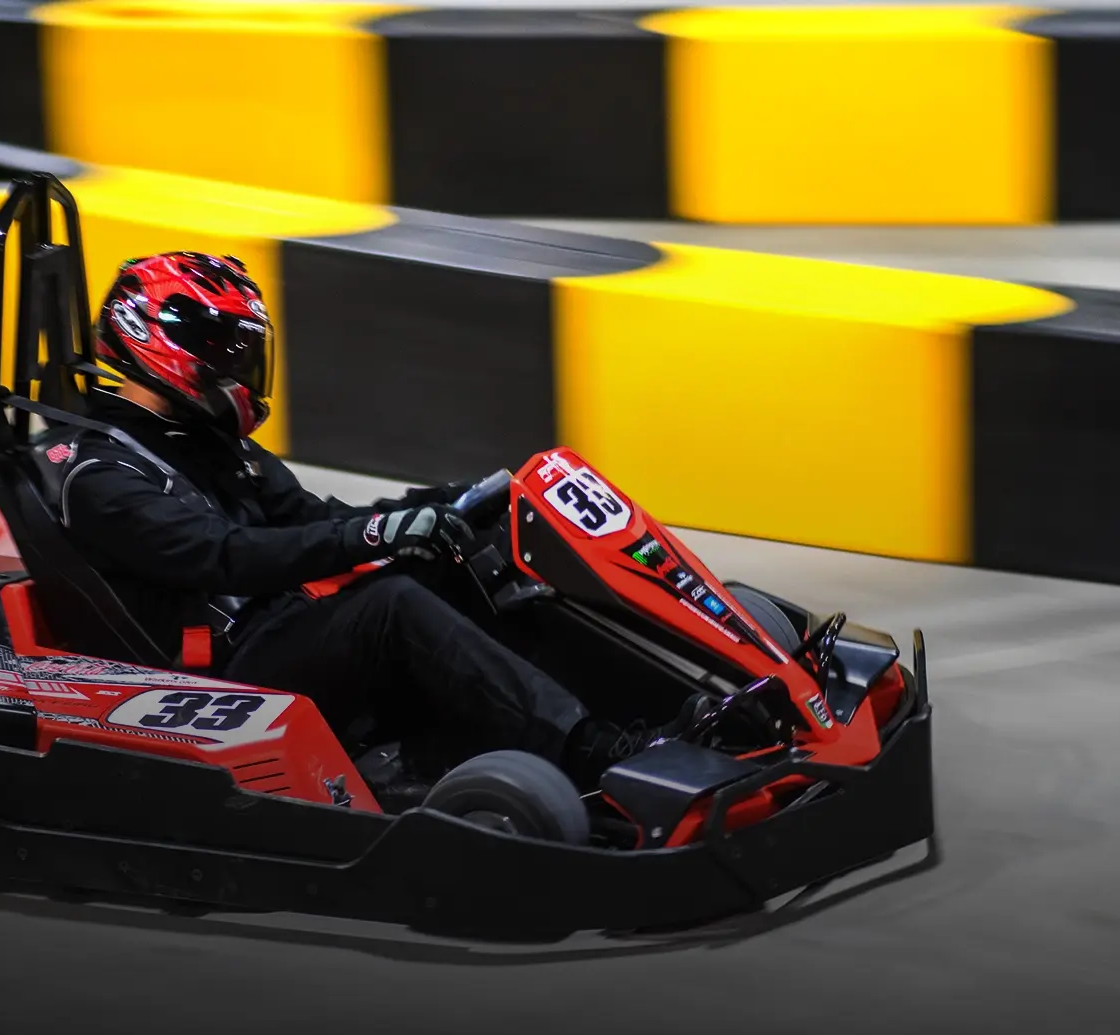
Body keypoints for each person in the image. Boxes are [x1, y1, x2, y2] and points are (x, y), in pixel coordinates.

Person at [43, 251, 697, 789]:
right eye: (222, 346)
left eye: (242, 348)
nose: (238, 366)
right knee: (389, 604)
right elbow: (230, 554)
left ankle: (665, 706)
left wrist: (436, 507)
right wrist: (377, 536)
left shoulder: (205, 439)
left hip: (284, 625)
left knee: (457, 556)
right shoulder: (102, 476)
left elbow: (313, 519)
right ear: (155, 340)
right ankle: (596, 753)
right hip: (218, 679)